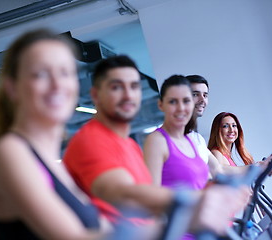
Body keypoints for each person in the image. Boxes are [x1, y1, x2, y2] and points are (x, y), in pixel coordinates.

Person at [63, 56, 251, 238]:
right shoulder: (91, 140)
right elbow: (123, 193)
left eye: (134, 86)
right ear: (95, 95)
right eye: (116, 87)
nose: (128, 95)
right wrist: (198, 201)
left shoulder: (129, 145)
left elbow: (148, 209)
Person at [0, 29, 110, 239]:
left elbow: (103, 229)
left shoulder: (54, 162)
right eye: (41, 74)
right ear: (12, 88)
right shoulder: (10, 151)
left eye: (65, 73)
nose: (57, 85)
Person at [143, 75, 208, 190]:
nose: (181, 108)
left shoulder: (189, 140)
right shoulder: (157, 141)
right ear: (161, 105)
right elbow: (152, 197)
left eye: (186, 101)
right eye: (173, 102)